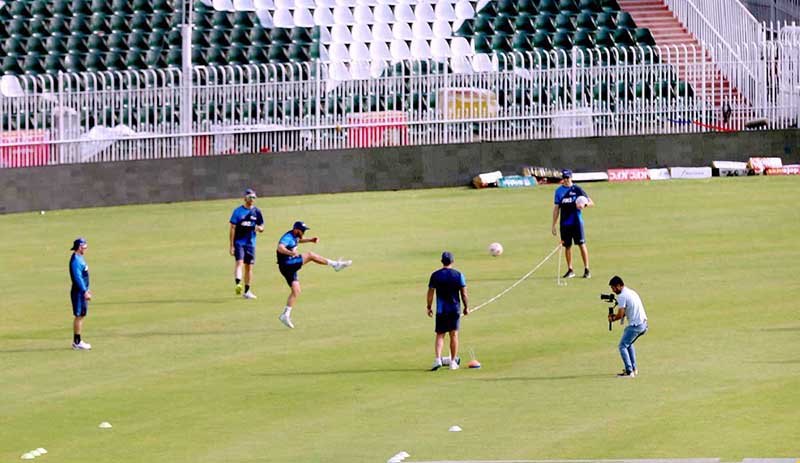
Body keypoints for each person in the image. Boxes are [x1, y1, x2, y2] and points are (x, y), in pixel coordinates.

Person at [276, 221, 352, 329]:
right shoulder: (287, 236)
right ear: (296, 230)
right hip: (287, 264)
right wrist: (291, 253)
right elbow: (280, 247)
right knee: (310, 255)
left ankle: (285, 315)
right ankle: (335, 265)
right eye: (302, 230)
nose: (303, 232)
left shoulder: (295, 236)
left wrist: (310, 240)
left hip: (287, 267)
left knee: (296, 291)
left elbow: (298, 240)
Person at [427, 252, 469, 371]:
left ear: (442, 262)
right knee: (453, 335)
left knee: (440, 335)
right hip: (454, 309)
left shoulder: (435, 275)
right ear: (452, 261)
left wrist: (429, 306)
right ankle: (452, 361)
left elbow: (430, 292)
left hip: (441, 310)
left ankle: (438, 359)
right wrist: (466, 307)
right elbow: (464, 294)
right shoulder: (458, 275)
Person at [551, 169, 594, 279]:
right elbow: (556, 209)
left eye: (568, 178)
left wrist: (583, 205)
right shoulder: (559, 191)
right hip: (565, 224)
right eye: (564, 178)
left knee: (581, 244)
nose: (566, 180)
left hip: (577, 223)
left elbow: (591, 202)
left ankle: (587, 269)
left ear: (571, 178)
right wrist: (553, 224)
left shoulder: (577, 189)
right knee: (567, 246)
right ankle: (570, 269)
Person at [607, 276, 648, 378]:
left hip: (636, 326)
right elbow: (626, 311)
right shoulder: (631, 292)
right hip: (643, 324)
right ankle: (634, 368)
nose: (613, 290)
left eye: (613, 288)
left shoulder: (622, 296)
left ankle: (629, 371)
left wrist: (613, 318)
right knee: (628, 344)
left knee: (622, 346)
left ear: (618, 286)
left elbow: (621, 314)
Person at [229, 188, 265, 299]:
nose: (252, 199)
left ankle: (247, 291)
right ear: (245, 198)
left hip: (251, 243)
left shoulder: (257, 212)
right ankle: (238, 283)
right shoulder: (238, 211)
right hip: (239, 242)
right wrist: (231, 245)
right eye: (250, 197)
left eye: (254, 197)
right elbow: (232, 228)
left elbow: (262, 226)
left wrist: (259, 228)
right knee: (239, 262)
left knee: (249, 267)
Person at [69, 238, 92, 350]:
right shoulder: (75, 261)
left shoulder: (79, 258)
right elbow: (77, 278)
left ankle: (77, 341)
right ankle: (77, 342)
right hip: (79, 293)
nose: (85, 249)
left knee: (81, 315)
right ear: (79, 247)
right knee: (79, 316)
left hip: (82, 291)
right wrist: (84, 291)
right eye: (84, 248)